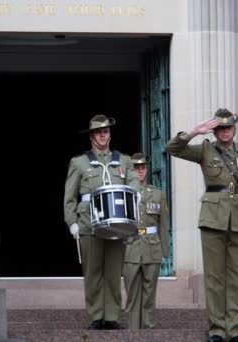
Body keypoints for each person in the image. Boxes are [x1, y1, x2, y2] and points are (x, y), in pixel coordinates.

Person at [166, 108, 238, 342]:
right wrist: (194, 131)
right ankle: (217, 328)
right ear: (214, 131)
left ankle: (234, 329)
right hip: (213, 219)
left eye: (228, 127)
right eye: (220, 128)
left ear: (234, 129)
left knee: (236, 276)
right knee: (215, 277)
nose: (224, 132)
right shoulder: (205, 149)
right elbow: (172, 148)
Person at [63, 114, 140, 330]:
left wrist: (136, 193)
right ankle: (97, 316)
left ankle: (112, 316)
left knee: (114, 272)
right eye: (98, 132)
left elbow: (133, 179)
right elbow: (69, 198)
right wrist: (72, 222)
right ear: (91, 136)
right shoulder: (79, 162)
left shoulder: (123, 160)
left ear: (110, 134)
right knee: (93, 272)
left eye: (105, 131)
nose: (102, 135)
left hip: (117, 223)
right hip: (89, 224)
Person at [122, 152, 169, 330]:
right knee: (132, 292)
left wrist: (164, 252)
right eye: (136, 168)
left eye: (143, 167)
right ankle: (133, 330)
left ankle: (148, 329)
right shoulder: (124, 192)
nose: (140, 171)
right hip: (131, 246)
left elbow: (164, 225)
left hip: (152, 246)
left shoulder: (157, 194)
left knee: (149, 292)